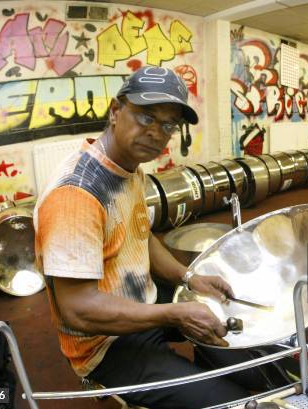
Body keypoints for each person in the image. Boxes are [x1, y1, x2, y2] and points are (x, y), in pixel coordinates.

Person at [33, 66, 251, 408]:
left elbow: (141, 234)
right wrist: (173, 314)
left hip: (140, 300)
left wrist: (190, 277)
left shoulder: (130, 167)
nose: (157, 134)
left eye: (168, 125)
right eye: (146, 117)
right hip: (105, 344)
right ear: (115, 112)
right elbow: (78, 309)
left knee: (238, 333)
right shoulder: (76, 195)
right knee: (231, 403)